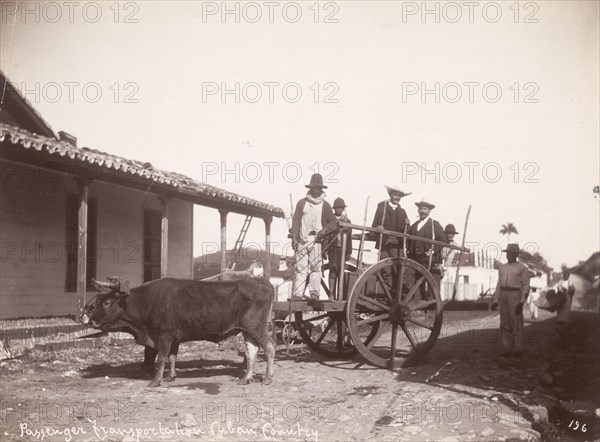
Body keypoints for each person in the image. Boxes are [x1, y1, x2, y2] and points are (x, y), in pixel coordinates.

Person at [290, 173, 336, 306]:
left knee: (316, 268)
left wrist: (324, 231)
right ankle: (298, 294)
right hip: (302, 240)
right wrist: (294, 237)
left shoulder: (325, 205)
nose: (315, 190)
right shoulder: (301, 203)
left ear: (322, 189)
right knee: (300, 268)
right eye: (313, 187)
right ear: (310, 188)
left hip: (317, 240)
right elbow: (295, 221)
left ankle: (314, 294)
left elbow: (333, 222)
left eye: (318, 188)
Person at [491, 244, 531, 358]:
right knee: (504, 323)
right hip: (503, 295)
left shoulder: (522, 268)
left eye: (512, 253)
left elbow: (526, 286)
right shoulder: (502, 267)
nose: (510, 255)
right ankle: (507, 348)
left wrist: (521, 302)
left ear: (516, 255)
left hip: (515, 295)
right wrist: (495, 300)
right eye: (508, 253)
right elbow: (499, 284)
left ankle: (517, 349)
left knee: (516, 322)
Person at [407, 198, 446, 300]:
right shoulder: (415, 225)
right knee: (416, 280)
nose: (423, 211)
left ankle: (431, 304)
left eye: (425, 209)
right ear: (418, 210)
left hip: (428, 259)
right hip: (415, 258)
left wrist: (433, 250)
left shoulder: (434, 225)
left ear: (429, 211)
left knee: (430, 281)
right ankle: (417, 303)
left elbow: (442, 240)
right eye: (421, 209)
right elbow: (408, 239)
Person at [370, 185, 411, 260]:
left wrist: (407, 224)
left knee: (396, 266)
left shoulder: (402, 212)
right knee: (384, 265)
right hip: (384, 242)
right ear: (390, 195)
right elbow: (374, 225)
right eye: (395, 195)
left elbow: (407, 230)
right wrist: (378, 228)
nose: (397, 198)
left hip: (397, 244)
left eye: (399, 196)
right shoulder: (381, 209)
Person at [323, 198, 352, 297]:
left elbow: (349, 238)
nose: (338, 210)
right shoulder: (331, 220)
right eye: (337, 208)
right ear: (334, 209)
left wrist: (349, 252)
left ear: (343, 209)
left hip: (343, 250)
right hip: (333, 249)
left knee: (341, 270)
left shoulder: (347, 221)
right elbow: (326, 235)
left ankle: (340, 295)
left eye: (340, 208)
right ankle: (331, 293)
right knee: (333, 270)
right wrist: (325, 248)